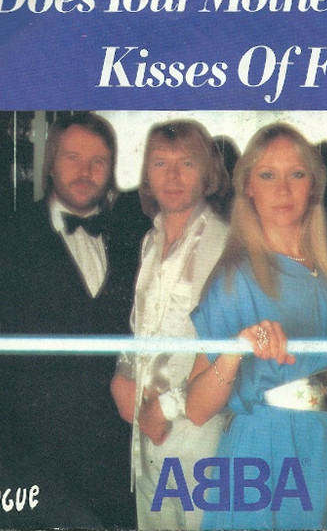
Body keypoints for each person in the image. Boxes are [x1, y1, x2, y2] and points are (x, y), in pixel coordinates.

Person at [186, 123, 327, 531]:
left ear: (314, 186)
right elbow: (196, 409)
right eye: (268, 175)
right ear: (248, 187)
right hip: (270, 449)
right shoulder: (233, 279)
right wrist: (235, 350)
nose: (283, 190)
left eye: (296, 174)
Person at [0, 112, 137, 529]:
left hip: (116, 450)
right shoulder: (6, 233)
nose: (85, 171)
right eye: (73, 157)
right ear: (50, 163)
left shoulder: (133, 236)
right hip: (34, 447)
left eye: (98, 161)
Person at [111, 119, 231, 531]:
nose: (173, 176)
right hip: (146, 430)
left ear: (207, 172)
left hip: (197, 430)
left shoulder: (222, 243)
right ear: (147, 174)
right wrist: (123, 373)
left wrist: (166, 408)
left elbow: (223, 348)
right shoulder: (151, 240)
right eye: (161, 163)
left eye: (187, 163)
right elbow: (143, 327)